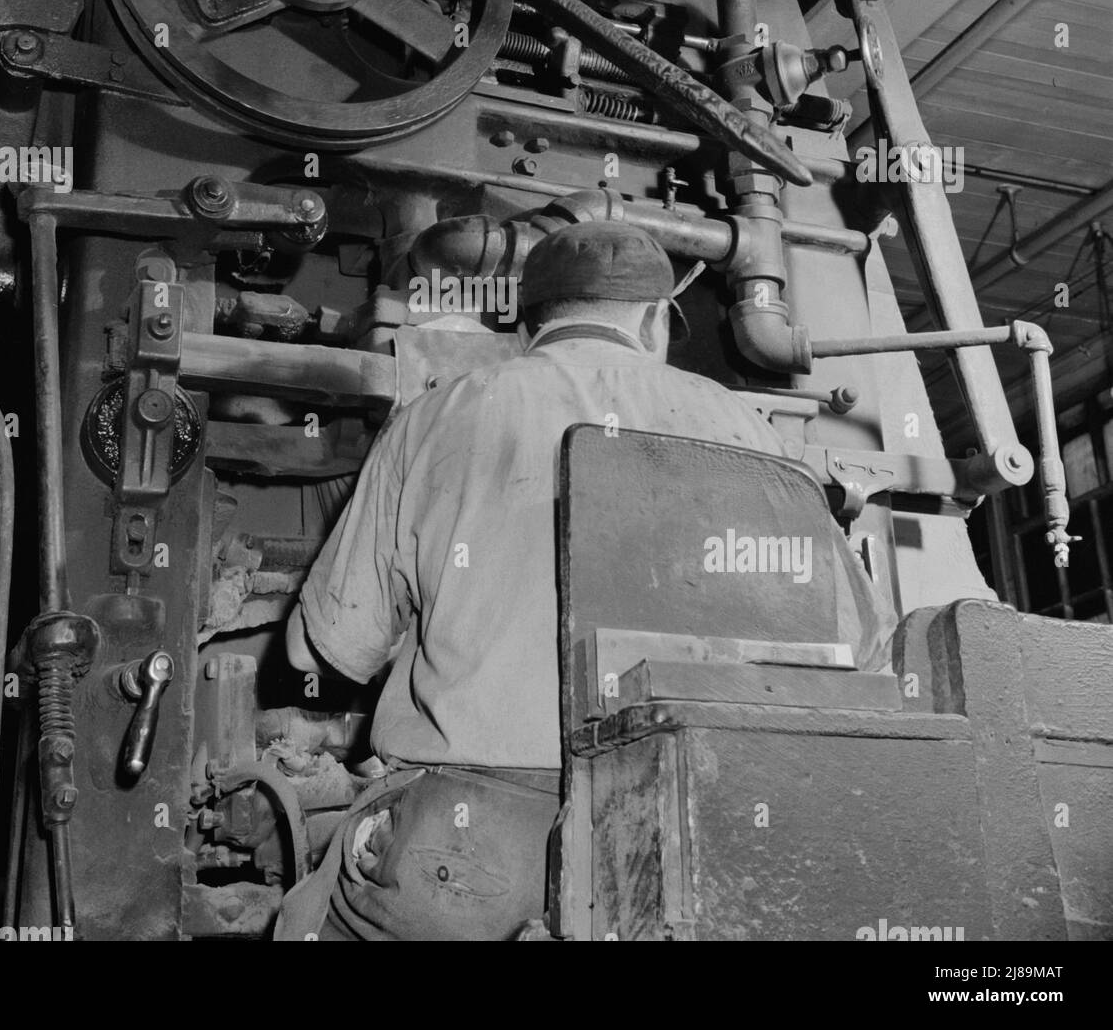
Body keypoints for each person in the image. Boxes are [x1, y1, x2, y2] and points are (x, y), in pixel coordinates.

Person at [274, 220, 895, 941]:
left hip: (471, 850)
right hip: (688, 841)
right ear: (655, 320)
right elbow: (864, 654)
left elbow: (314, 652)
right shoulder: (749, 430)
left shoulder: (440, 414)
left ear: (529, 323)